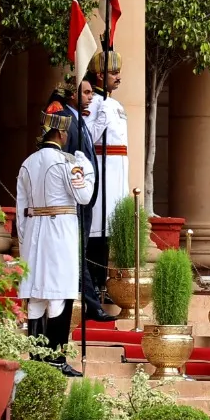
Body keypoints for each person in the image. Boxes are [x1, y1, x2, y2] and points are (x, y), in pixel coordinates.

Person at [16, 111, 96, 377]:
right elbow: (84, 196)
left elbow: (21, 209)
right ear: (62, 134)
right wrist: (87, 170)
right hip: (60, 232)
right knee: (59, 292)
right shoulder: (67, 162)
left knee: (37, 295)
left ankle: (36, 358)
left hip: (35, 231)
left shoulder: (27, 162)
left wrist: (25, 239)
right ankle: (56, 358)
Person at [45, 78, 115, 323]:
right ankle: (92, 305)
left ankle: (89, 303)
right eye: (85, 92)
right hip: (74, 198)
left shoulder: (78, 118)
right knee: (76, 252)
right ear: (72, 95)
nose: (90, 96)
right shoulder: (66, 119)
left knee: (79, 252)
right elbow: (70, 160)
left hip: (84, 198)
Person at [83, 50, 128, 303]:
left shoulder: (115, 104)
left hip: (117, 170)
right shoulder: (94, 104)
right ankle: (95, 285)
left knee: (110, 230)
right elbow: (87, 137)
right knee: (98, 232)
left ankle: (106, 284)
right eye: (113, 72)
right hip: (102, 170)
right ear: (100, 75)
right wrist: (101, 116)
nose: (118, 77)